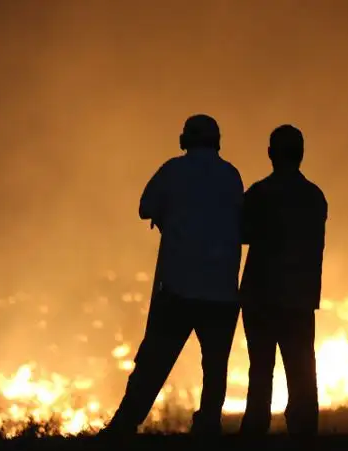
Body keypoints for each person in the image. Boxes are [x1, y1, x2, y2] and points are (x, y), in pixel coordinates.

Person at [101, 114, 244, 437]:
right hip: (222, 291)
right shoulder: (231, 175)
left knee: (153, 362)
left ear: (184, 140)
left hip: (178, 287)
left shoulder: (174, 170)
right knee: (215, 367)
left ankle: (123, 426)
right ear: (217, 141)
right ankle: (208, 427)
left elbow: (145, 207)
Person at [238, 124, 328, 438]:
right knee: (302, 374)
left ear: (271, 154)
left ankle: (254, 434)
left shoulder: (259, 194)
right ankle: (304, 435)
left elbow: (241, 233)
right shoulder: (315, 197)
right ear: (301, 155)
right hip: (299, 300)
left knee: (260, 373)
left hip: (260, 299)